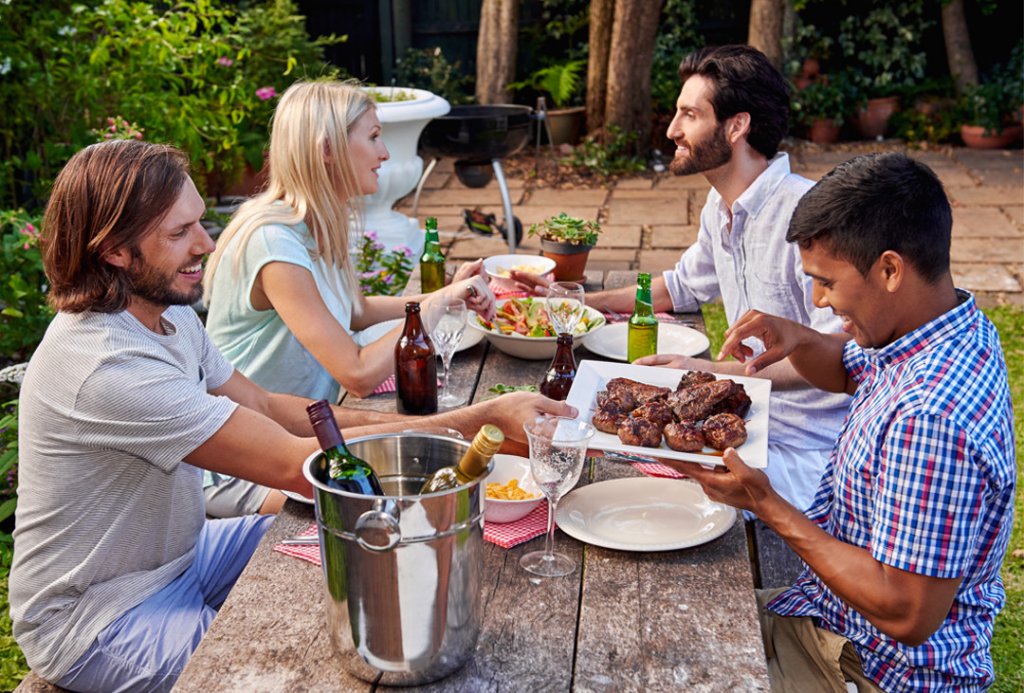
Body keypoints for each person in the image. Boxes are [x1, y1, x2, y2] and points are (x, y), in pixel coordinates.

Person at [9, 139, 574, 692]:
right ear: (114, 251)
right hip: (100, 615)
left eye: (199, 222)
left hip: (186, 551)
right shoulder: (108, 369)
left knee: (342, 545)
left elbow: (268, 407)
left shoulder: (166, 316)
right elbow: (298, 463)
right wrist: (479, 426)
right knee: (291, 675)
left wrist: (472, 424)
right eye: (180, 233)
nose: (205, 244)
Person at [677, 152, 1015, 691]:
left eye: (826, 283)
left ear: (888, 269)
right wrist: (794, 335)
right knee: (677, 614)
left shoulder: (930, 417)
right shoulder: (942, 330)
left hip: (872, 670)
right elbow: (848, 369)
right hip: (827, 615)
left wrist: (767, 504)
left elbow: (906, 613)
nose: (818, 300)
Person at [511, 45, 850, 514]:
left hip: (803, 454)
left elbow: (842, 359)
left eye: (689, 115)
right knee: (577, 441)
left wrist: (708, 378)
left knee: (626, 500)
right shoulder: (722, 205)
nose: (672, 130)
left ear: (737, 126)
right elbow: (681, 285)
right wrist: (582, 299)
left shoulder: (805, 218)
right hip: (738, 426)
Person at [202, 80, 493, 517]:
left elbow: (354, 311)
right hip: (246, 463)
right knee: (405, 512)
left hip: (305, 438)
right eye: (374, 137)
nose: (385, 153)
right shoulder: (272, 241)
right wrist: (432, 309)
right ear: (327, 148)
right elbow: (356, 374)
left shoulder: (316, 222)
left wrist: (446, 294)